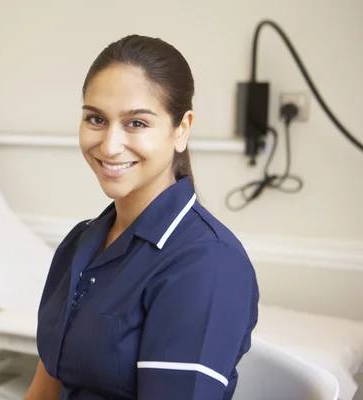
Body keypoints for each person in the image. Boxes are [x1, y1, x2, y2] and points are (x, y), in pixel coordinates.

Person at [24, 34, 259, 400]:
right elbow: (45, 389)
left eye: (136, 123)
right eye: (96, 119)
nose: (110, 145)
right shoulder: (80, 243)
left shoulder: (207, 262)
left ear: (181, 129)